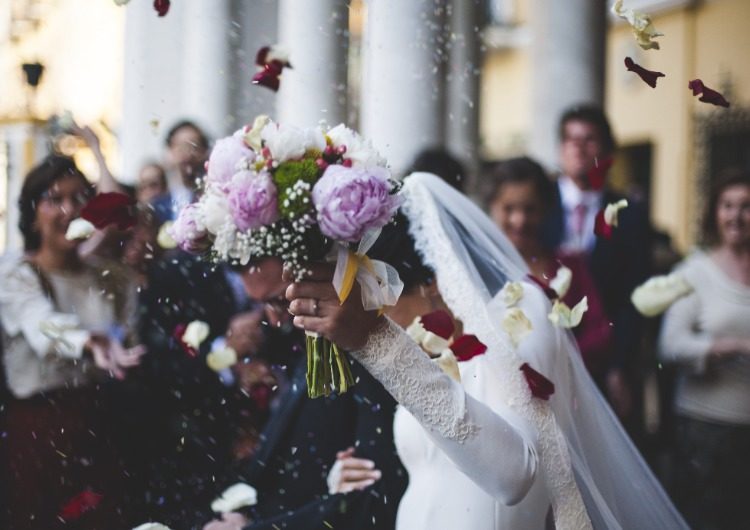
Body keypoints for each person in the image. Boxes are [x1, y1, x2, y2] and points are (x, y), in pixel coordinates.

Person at [287, 172, 687, 529]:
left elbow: (513, 475)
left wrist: (378, 340)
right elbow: (436, 470)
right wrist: (351, 478)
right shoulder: (432, 356)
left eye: (381, 308)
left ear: (430, 286)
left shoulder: (521, 311)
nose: (387, 323)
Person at [201, 257, 407, 530]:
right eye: (260, 305)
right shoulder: (294, 336)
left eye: (279, 300)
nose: (272, 319)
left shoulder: (367, 345)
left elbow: (375, 498)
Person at [0, 155, 145, 529]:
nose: (69, 210)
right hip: (39, 430)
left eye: (79, 198)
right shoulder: (17, 273)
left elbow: (126, 334)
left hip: (99, 422)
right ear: (33, 214)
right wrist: (87, 341)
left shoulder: (111, 277)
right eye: (54, 199)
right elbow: (41, 326)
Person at [545, 104, 652, 423]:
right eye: (570, 139)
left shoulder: (629, 213)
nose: (578, 147)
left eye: (589, 139)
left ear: (606, 150)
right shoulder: (537, 205)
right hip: (547, 354)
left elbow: (635, 295)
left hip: (607, 364)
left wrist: (619, 364)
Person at [658, 169, 750, 530]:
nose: (736, 216)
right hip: (704, 432)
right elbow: (670, 345)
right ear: (715, 212)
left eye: (746, 206)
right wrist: (727, 347)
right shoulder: (694, 272)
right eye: (727, 206)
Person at [487, 156, 613, 378]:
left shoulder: (570, 267)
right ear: (492, 208)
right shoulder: (480, 268)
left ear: (544, 209)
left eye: (529, 209)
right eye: (509, 209)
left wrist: (556, 360)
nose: (519, 220)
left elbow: (599, 331)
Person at [152, 120, 210, 223]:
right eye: (180, 147)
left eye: (194, 147)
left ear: (205, 152)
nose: (187, 155)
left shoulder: (212, 200)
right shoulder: (157, 207)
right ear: (168, 153)